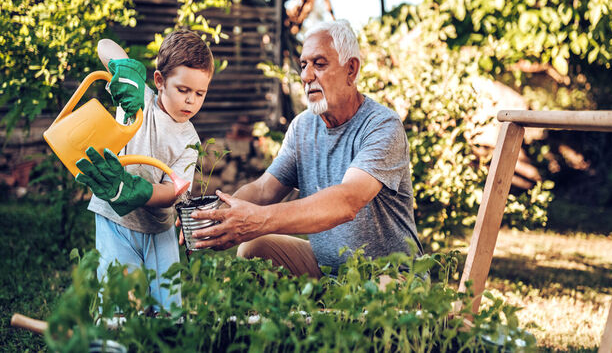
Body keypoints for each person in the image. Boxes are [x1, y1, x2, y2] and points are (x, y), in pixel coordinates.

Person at [184, 20, 423, 280]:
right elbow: (265, 189)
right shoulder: (303, 127)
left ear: (351, 70)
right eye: (303, 65)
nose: (306, 76)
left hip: (389, 274)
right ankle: (297, 314)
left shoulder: (381, 124)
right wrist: (213, 217)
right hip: (327, 269)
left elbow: (347, 202)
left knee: (383, 291)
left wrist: (260, 219)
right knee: (254, 249)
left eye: (319, 64)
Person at [74, 30, 213, 312]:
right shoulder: (138, 100)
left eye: (200, 93)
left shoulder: (189, 140)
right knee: (120, 300)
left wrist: (136, 190)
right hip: (115, 220)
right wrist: (127, 73)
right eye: (183, 90)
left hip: (158, 230)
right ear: (160, 81)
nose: (191, 101)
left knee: (167, 304)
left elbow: (174, 190)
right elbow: (105, 46)